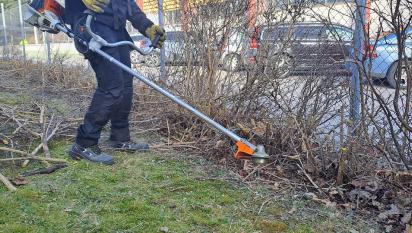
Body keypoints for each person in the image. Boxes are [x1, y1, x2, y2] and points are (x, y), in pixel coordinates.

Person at [64, 0, 166, 165]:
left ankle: (120, 138)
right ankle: (84, 144)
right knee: (112, 86)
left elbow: (126, 4)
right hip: (92, 25)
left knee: (125, 84)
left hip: (116, 29)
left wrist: (147, 26)